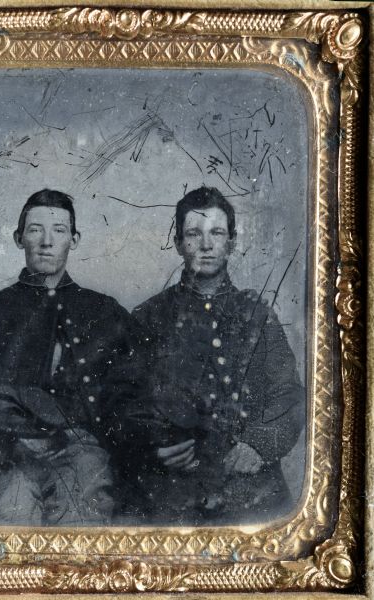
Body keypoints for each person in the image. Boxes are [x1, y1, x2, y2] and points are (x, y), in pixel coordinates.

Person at [0, 189, 138, 526]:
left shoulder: (104, 312)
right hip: (5, 454)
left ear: (74, 240)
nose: (46, 241)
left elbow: (128, 392)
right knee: (12, 511)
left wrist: (87, 439)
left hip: (82, 454)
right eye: (35, 230)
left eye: (59, 230)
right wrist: (6, 444)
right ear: (19, 239)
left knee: (81, 517)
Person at [124, 186, 305, 525]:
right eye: (194, 234)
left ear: (231, 243)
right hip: (170, 487)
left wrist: (257, 445)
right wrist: (151, 447)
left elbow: (288, 393)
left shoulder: (256, 315)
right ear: (178, 243)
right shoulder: (148, 317)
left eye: (216, 233)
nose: (206, 245)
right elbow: (124, 400)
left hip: (248, 483)